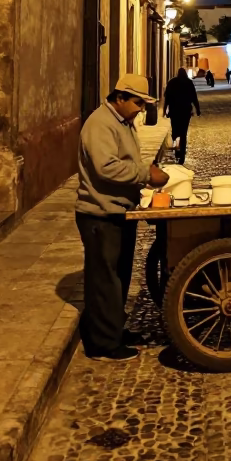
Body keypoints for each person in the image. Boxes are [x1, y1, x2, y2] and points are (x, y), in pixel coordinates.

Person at [76, 74, 168, 362]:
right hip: (100, 213)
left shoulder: (122, 122)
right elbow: (106, 168)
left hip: (119, 210)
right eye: (137, 102)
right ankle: (102, 345)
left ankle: (113, 329)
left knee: (119, 277)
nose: (141, 108)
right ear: (120, 98)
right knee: (105, 281)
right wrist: (145, 174)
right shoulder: (100, 124)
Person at [164, 67, 201, 164]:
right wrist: (198, 109)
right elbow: (194, 97)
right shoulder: (189, 83)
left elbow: (167, 97)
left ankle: (177, 148)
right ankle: (182, 154)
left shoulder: (172, 82)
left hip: (174, 111)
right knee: (183, 132)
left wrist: (165, 110)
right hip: (185, 111)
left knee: (175, 130)